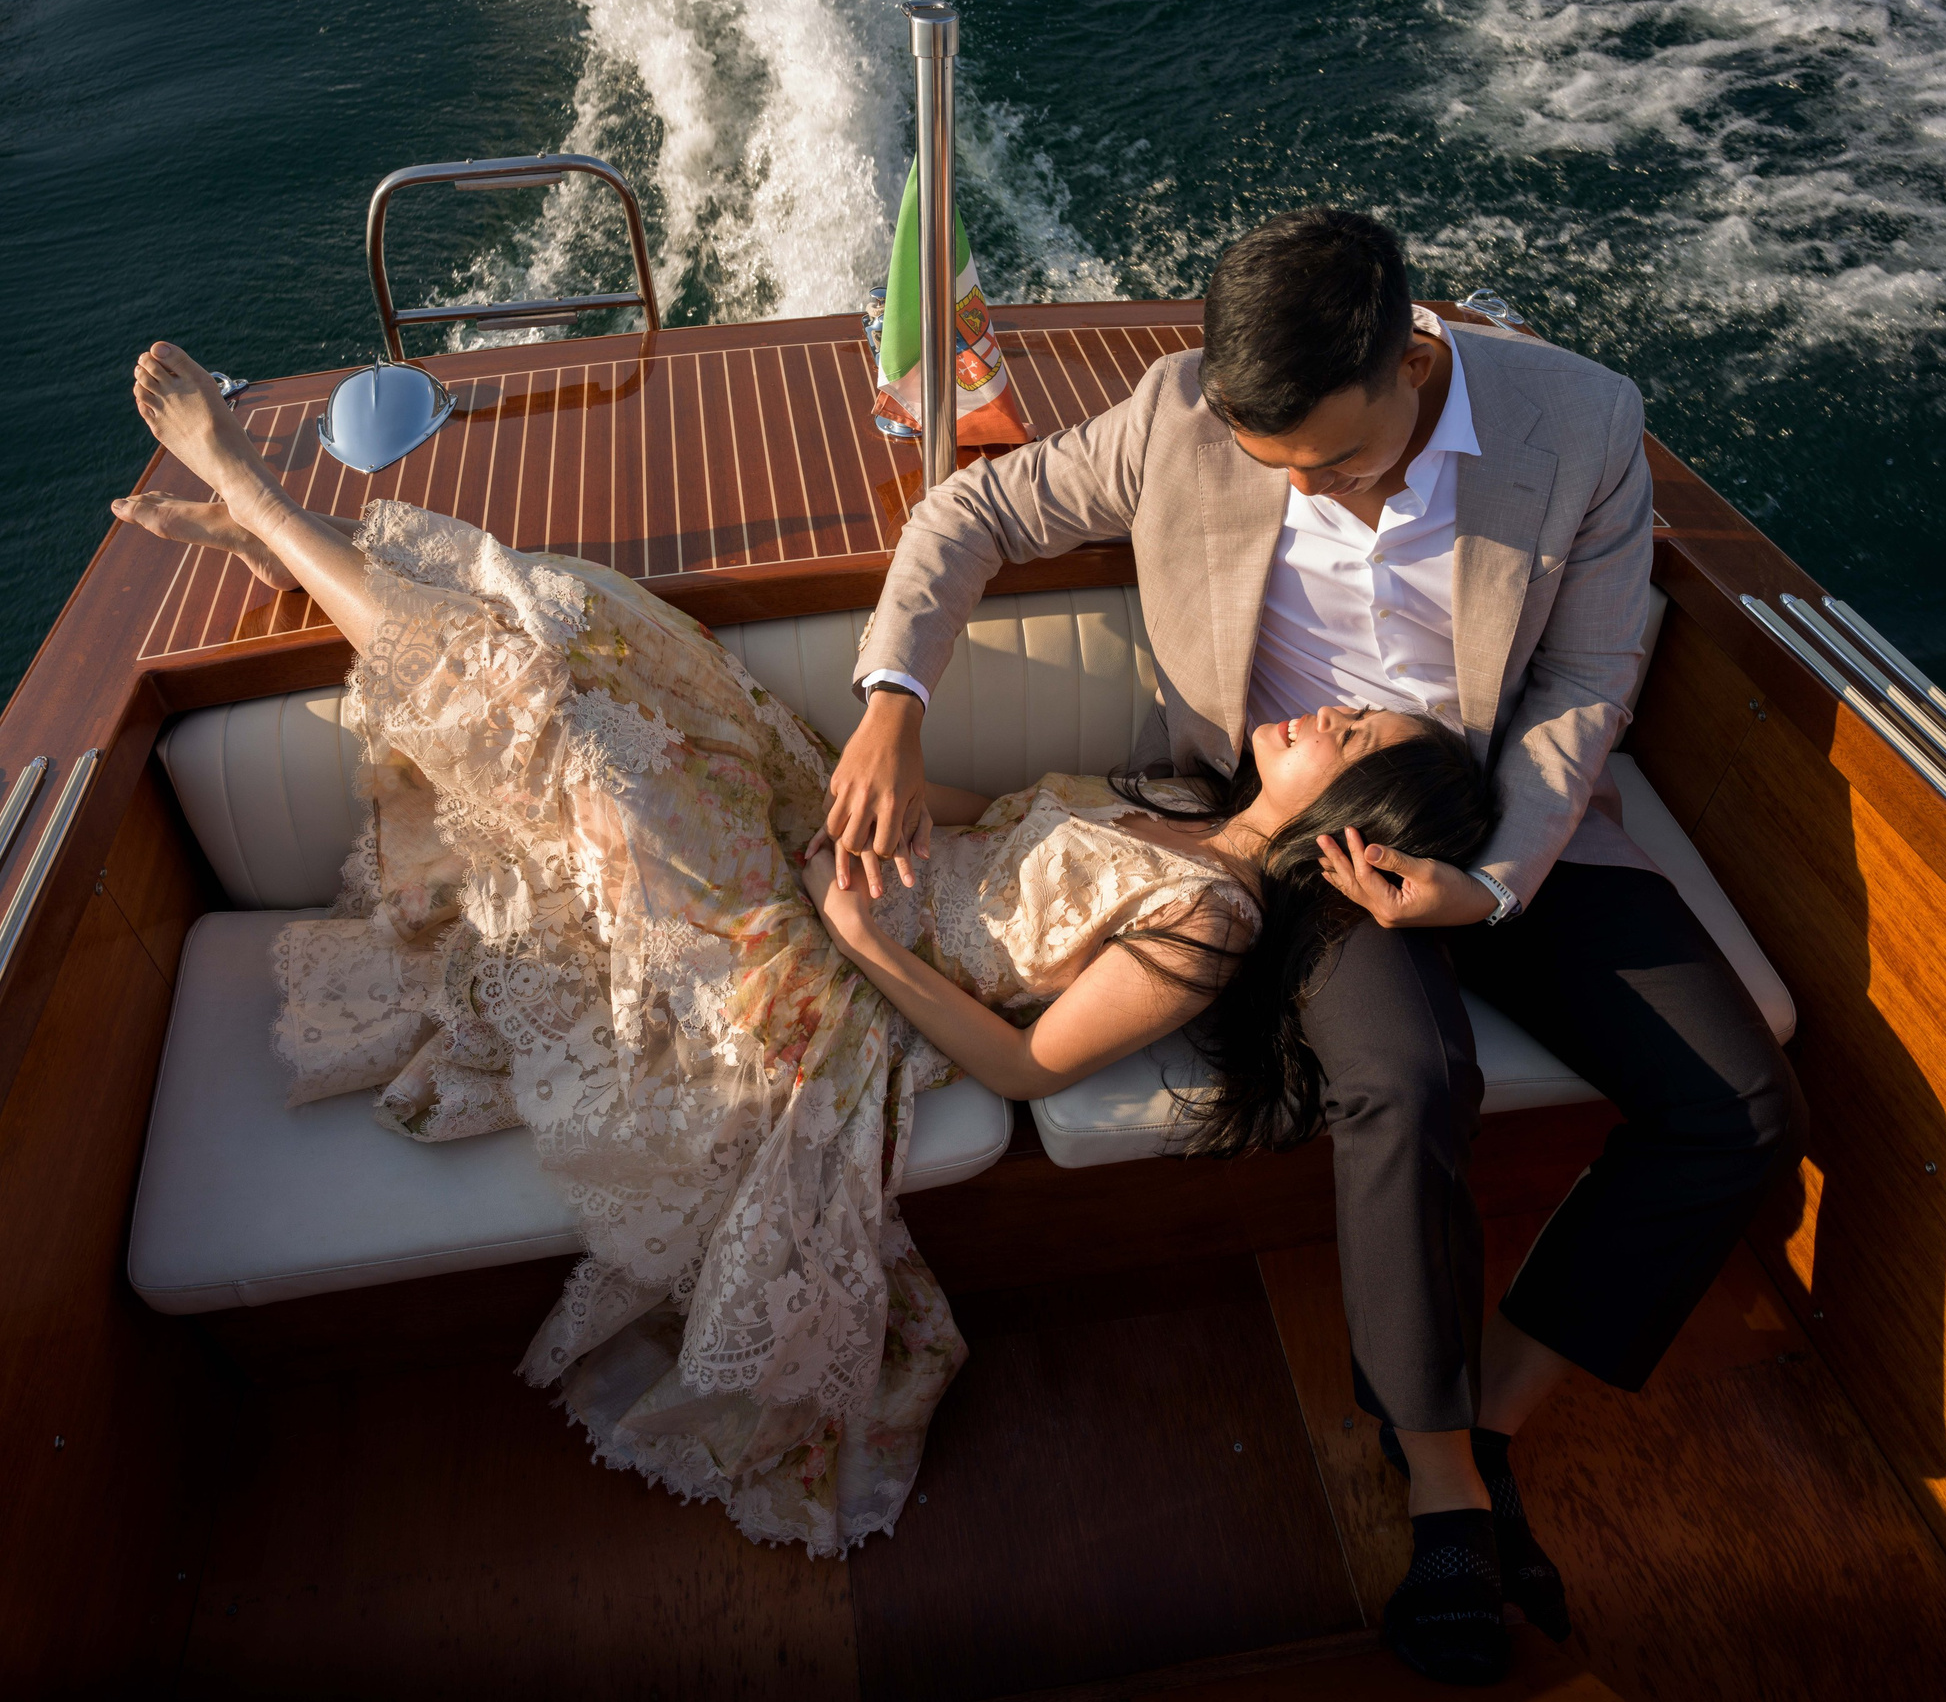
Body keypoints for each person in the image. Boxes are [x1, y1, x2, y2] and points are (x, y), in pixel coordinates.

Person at [112, 339, 1498, 1559]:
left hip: (820, 967)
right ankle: (309, 555)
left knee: (556, 716)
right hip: (838, 852)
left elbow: (1018, 1065)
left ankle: (258, 501)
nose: (1329, 710)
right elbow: (994, 822)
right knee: (611, 641)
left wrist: (852, 932)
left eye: (1358, 736)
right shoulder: (1183, 802)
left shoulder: (1210, 921)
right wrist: (838, 783)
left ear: (1353, 822)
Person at [827, 208, 1809, 1686]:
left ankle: (1487, 1412)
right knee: (1408, 1084)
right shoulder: (1176, 416)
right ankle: (1443, 1494)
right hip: (1300, 835)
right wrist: (894, 696)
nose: (1315, 493)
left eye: (1340, 464)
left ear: (1418, 357)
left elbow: (1593, 673)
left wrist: (1484, 885)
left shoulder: (1585, 422)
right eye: (1281, 470)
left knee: (1738, 1110)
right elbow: (971, 515)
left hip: (1493, 820)